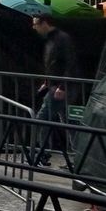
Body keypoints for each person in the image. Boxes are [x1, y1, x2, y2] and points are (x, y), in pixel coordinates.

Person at [31, 15, 74, 167]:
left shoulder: (61, 39)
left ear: (45, 23)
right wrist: (47, 82)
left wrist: (62, 86)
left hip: (59, 88)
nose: (34, 27)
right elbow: (55, 64)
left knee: (43, 119)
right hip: (55, 86)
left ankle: (43, 155)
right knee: (68, 123)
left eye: (36, 24)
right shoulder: (52, 39)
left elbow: (69, 63)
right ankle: (76, 158)